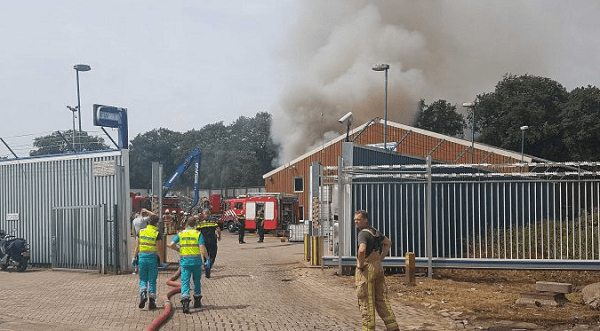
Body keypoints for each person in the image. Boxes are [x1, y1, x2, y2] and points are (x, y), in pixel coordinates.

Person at [353, 210, 399, 331]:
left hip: (368, 269)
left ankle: (369, 329)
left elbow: (362, 250)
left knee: (366, 301)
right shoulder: (375, 232)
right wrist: (380, 258)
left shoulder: (363, 234)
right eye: (355, 220)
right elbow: (388, 243)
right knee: (381, 299)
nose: (356, 222)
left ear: (365, 220)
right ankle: (393, 327)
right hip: (378, 267)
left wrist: (360, 264)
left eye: (358, 219)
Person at [168, 216, 209, 313]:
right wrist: (207, 259)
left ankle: (185, 303)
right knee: (196, 281)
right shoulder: (198, 234)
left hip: (185, 261)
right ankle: (197, 300)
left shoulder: (181, 234)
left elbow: (171, 244)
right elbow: (202, 247)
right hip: (196, 261)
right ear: (195, 224)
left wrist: (178, 249)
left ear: (187, 224)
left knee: (185, 282)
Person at [132, 212, 161, 310]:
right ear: (156, 223)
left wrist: (134, 257)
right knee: (152, 280)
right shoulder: (157, 233)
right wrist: (160, 260)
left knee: (143, 279)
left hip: (142, 258)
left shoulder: (141, 231)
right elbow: (158, 249)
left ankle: (143, 294)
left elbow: (137, 247)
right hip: (152, 258)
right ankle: (152, 302)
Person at [196, 210, 221, 278]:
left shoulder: (200, 222)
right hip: (212, 239)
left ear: (204, 214)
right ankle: (209, 267)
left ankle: (206, 265)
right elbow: (218, 229)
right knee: (213, 255)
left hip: (204, 240)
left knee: (205, 255)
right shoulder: (213, 220)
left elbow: (197, 231)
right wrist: (219, 237)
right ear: (209, 214)